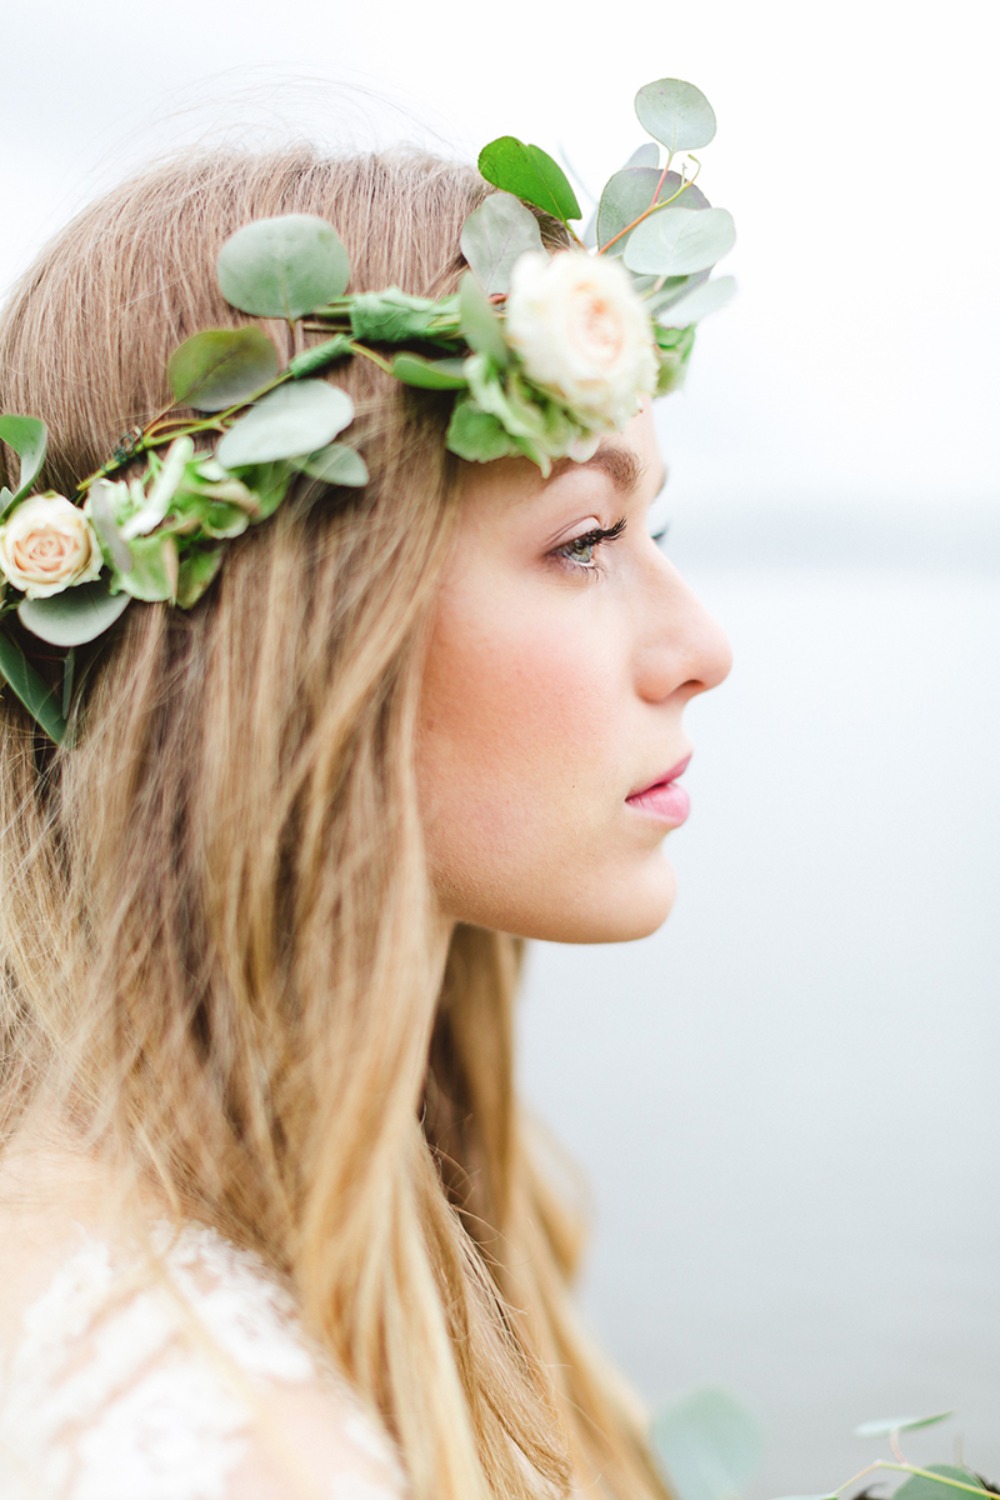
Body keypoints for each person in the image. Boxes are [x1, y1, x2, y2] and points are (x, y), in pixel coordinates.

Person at [0, 91, 732, 1500]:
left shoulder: (322, 1253)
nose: (702, 649)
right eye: (584, 540)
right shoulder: (178, 1428)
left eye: (658, 531)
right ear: (303, 629)